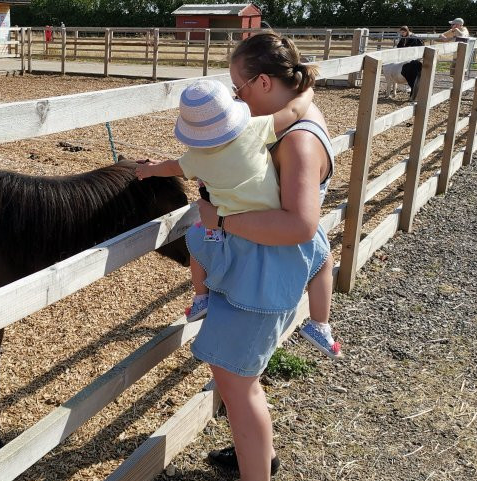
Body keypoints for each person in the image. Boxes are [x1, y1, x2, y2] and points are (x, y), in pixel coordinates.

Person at [191, 32, 336, 481]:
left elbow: (300, 223)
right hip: (263, 273)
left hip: (263, 279)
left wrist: (222, 222)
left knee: (238, 383)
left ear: (266, 81)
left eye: (240, 87)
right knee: (237, 376)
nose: (237, 98)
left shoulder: (297, 140)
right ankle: (257, 456)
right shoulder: (298, 115)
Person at [134, 80, 341, 362]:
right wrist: (307, 90)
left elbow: (172, 167)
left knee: (196, 243)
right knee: (322, 260)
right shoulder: (254, 130)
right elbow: (293, 112)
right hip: (269, 214)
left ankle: (200, 297)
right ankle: (319, 324)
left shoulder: (195, 158)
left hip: (226, 219)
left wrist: (149, 171)